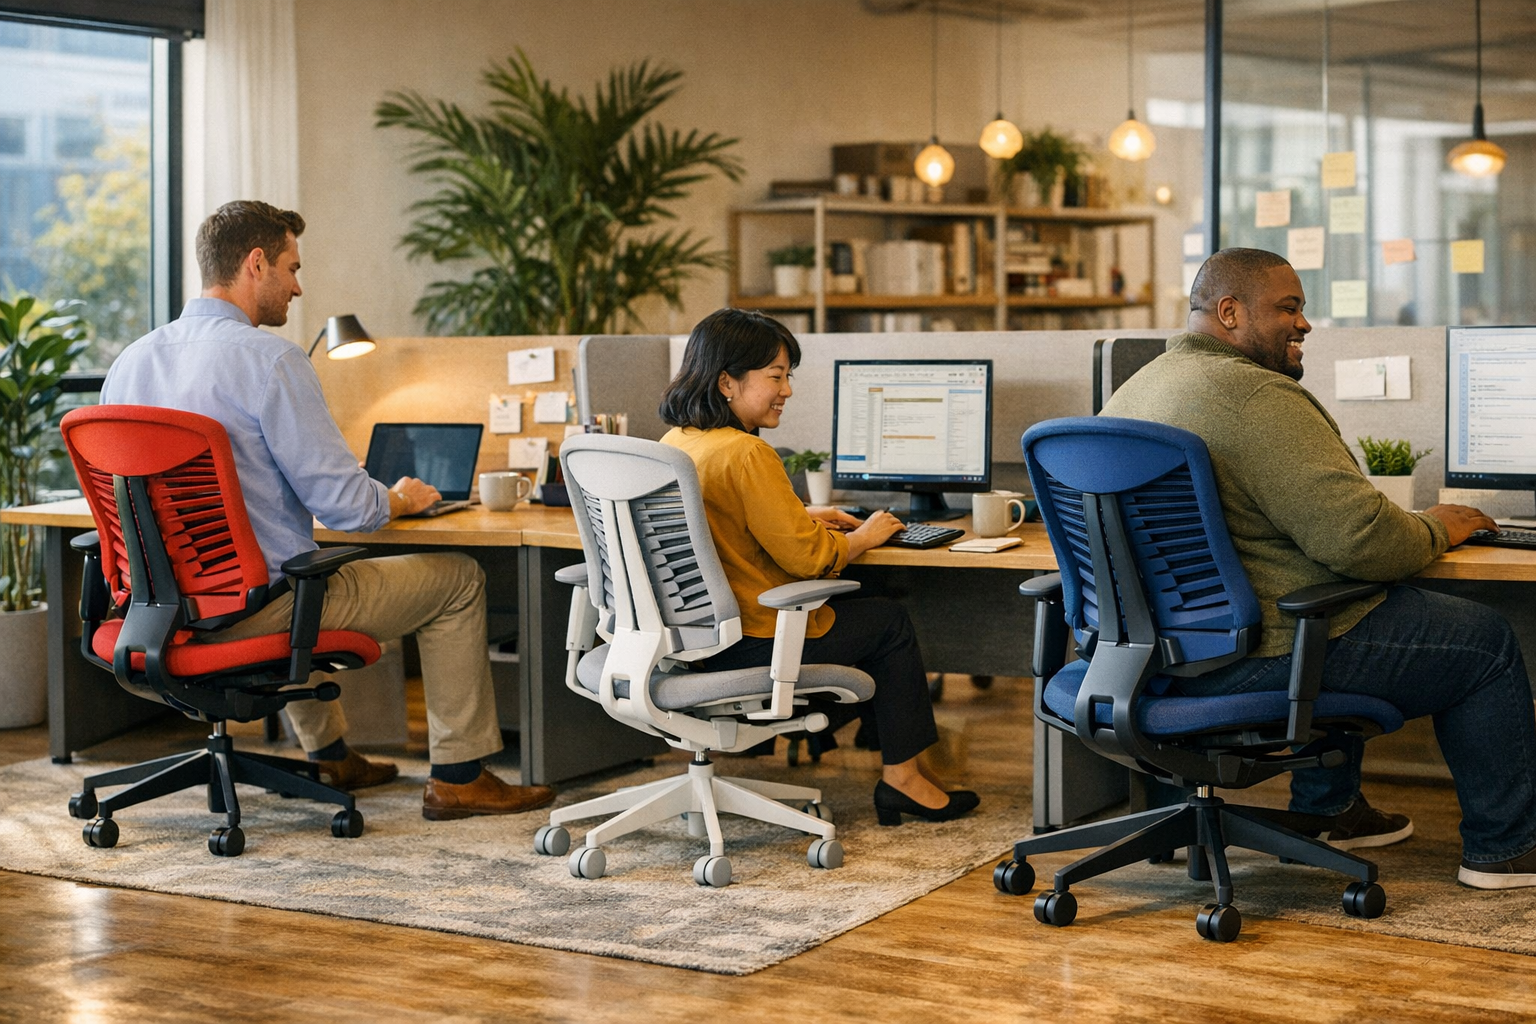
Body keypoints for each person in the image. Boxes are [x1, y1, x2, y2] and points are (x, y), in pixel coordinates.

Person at [101, 200, 555, 821]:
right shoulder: (271, 361)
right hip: (252, 611)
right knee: (455, 578)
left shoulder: (131, 362)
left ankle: (333, 754)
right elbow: (347, 506)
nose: (298, 285)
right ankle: (459, 776)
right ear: (255, 264)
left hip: (156, 612)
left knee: (292, 563)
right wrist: (397, 498)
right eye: (291, 267)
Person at [1101, 246, 1536, 889]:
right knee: (1484, 641)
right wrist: (1439, 525)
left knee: (1325, 595)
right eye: (1289, 308)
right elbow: (1366, 542)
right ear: (1229, 312)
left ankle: (1329, 810)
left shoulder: (1139, 388)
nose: (1305, 325)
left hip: (1144, 658)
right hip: (1254, 654)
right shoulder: (1256, 397)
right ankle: (1505, 850)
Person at [656, 307, 978, 825]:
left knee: (864, 615)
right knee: (888, 623)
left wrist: (798, 513)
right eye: (776, 377)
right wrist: (868, 533)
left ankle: (869, 750)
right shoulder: (746, 453)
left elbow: (716, 520)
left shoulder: (679, 442)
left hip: (692, 642)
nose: (787, 390)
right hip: (751, 641)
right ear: (727, 383)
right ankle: (903, 780)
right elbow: (810, 559)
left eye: (788, 377)